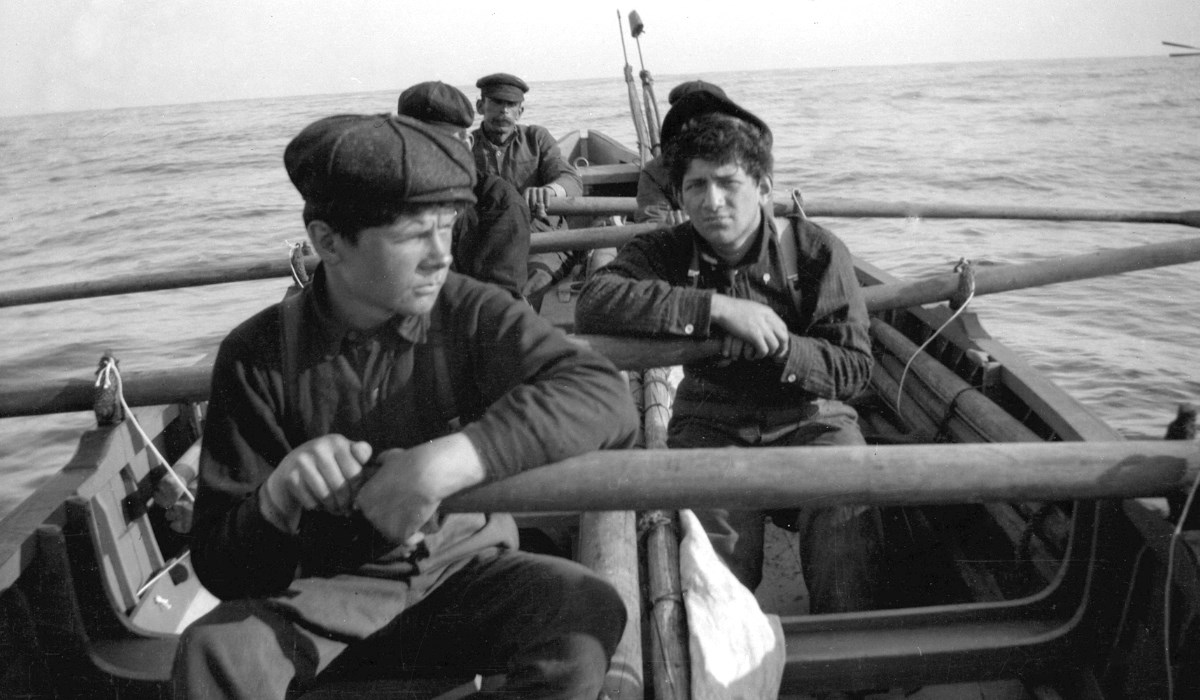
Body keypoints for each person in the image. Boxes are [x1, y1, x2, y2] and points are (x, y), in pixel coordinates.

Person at [174, 112, 639, 699]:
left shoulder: (470, 312)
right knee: (212, 652)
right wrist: (279, 496)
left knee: (583, 609)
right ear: (328, 243)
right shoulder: (255, 355)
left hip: (460, 571)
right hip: (327, 595)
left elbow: (601, 392)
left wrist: (450, 461)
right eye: (413, 235)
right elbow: (219, 567)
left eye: (447, 228)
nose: (440, 256)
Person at [575, 92, 884, 615]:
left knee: (847, 506)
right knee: (718, 562)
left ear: (763, 188)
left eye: (727, 183)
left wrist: (780, 347)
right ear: (678, 194)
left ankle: (852, 666)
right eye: (696, 186)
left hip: (810, 418)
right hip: (712, 421)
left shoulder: (816, 251)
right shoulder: (668, 250)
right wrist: (715, 308)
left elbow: (853, 370)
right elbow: (596, 302)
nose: (711, 201)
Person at [398, 80, 530, 298]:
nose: (426, 151)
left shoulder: (498, 201)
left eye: (440, 141)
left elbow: (497, 301)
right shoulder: (385, 198)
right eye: (415, 140)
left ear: (466, 144)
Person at [472, 72, 584, 307]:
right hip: (487, 242)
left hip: (540, 238)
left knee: (534, 278)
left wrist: (550, 191)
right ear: (480, 106)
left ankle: (513, 318)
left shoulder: (536, 138)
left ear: (520, 112)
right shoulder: (466, 146)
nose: (504, 111)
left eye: (511, 105)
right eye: (496, 103)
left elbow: (571, 181)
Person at [633, 80, 728, 225]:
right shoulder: (656, 171)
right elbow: (651, 225)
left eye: (707, 119)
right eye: (692, 119)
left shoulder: (744, 161)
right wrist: (675, 228)